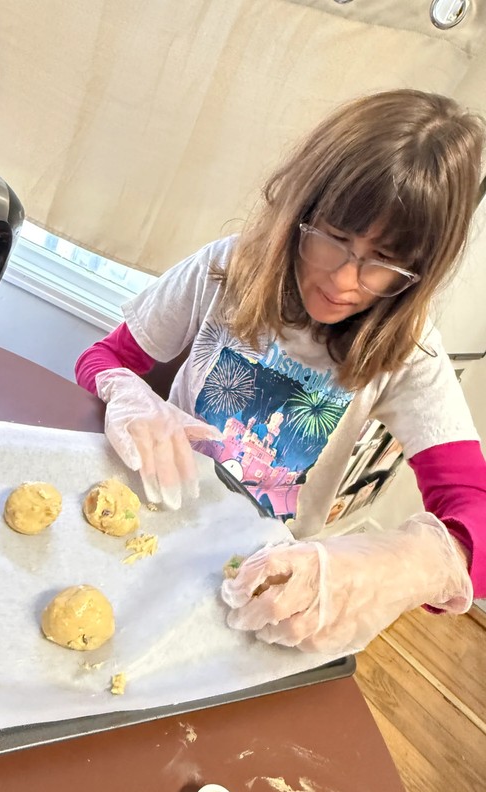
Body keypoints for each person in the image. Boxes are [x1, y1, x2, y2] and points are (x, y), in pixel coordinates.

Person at [75, 89, 486, 654]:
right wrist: (126, 391)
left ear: (417, 271)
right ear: (299, 211)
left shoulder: (408, 351)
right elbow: (105, 357)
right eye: (335, 238)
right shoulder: (223, 269)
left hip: (265, 582)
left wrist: (419, 563)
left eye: (383, 262)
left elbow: (473, 507)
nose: (345, 280)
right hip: (152, 519)